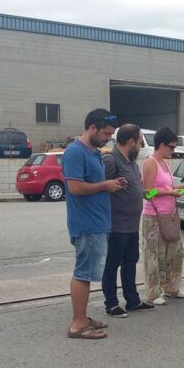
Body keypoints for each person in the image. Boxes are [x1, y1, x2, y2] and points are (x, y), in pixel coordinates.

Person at [64, 108, 126, 340]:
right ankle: (78, 324)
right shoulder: (75, 153)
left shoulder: (94, 152)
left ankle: (82, 317)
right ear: (92, 128)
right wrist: (105, 186)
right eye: (106, 133)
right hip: (86, 223)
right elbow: (75, 188)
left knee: (88, 272)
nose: (109, 137)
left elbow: (94, 183)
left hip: (99, 222)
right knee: (83, 273)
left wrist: (110, 183)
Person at [101, 124, 154, 318]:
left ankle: (133, 300)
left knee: (130, 261)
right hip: (116, 224)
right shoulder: (110, 160)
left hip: (131, 225)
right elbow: (100, 188)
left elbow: (139, 191)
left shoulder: (131, 162)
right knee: (112, 263)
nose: (141, 146)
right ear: (131, 141)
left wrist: (167, 192)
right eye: (140, 142)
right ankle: (111, 303)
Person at [141, 127, 184, 305]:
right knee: (153, 255)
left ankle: (172, 287)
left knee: (175, 252)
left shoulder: (165, 162)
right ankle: (153, 292)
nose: (173, 151)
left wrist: (181, 188)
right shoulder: (150, 162)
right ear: (162, 145)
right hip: (153, 216)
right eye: (171, 147)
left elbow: (165, 188)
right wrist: (170, 193)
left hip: (170, 214)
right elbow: (147, 193)